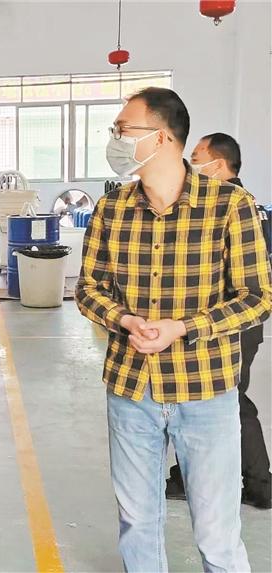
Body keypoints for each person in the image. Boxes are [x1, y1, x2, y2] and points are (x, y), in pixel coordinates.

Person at [76, 87, 272, 572]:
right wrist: (124, 319)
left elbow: (257, 297)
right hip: (131, 390)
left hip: (205, 390)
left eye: (124, 129)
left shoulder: (229, 205)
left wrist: (183, 328)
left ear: (162, 137)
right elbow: (88, 289)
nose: (115, 139)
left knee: (217, 532)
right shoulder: (111, 208)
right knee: (137, 523)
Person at [162, 133, 271, 510]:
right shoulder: (249, 204)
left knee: (222, 401)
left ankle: (257, 483)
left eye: (196, 158)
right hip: (229, 323)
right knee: (218, 399)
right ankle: (206, 478)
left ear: (218, 165)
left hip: (227, 324)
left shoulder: (232, 206)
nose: (191, 165)